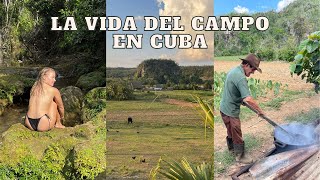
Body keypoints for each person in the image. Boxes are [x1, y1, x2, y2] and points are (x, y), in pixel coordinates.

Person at [220, 53, 264, 164]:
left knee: (230, 130)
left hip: (224, 108)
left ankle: (232, 149)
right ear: (247, 65)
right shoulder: (240, 77)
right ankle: (240, 156)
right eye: (253, 69)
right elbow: (248, 99)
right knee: (237, 132)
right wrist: (259, 111)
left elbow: (233, 90)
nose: (253, 72)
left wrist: (240, 100)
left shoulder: (234, 70)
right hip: (231, 110)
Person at [25, 67, 65, 131]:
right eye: (52, 77)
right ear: (44, 77)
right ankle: (58, 123)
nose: (55, 80)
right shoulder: (53, 90)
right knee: (54, 103)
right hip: (43, 124)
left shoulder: (34, 87)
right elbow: (61, 107)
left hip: (28, 122)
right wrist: (62, 117)